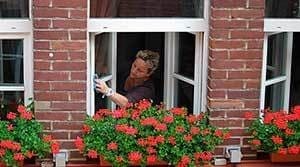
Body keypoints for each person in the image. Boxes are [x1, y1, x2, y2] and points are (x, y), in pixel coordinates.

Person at [95, 50, 160, 108]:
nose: (134, 71)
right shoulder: (124, 73)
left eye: (140, 70)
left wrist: (107, 91)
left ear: (148, 74)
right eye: (134, 65)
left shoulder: (147, 89)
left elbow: (126, 103)